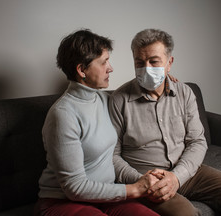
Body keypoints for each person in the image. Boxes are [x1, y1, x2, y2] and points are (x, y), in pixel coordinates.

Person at [109, 28, 221, 216]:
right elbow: (111, 156)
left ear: (169, 63)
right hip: (146, 179)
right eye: (139, 62)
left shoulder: (185, 92)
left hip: (185, 171)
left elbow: (197, 141)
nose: (146, 68)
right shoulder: (119, 100)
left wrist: (177, 177)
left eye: (154, 61)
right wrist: (141, 181)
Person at [34, 29, 161, 216]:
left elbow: (136, 98)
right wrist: (134, 189)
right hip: (62, 202)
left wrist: (165, 83)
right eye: (104, 62)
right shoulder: (63, 115)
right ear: (81, 70)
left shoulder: (104, 100)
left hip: (105, 196)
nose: (110, 68)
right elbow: (74, 187)